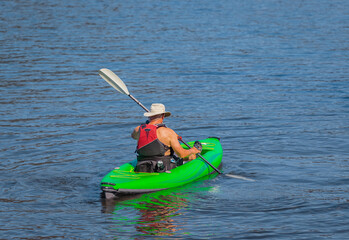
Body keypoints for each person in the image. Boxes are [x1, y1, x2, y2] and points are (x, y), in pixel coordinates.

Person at [131, 103, 201, 173]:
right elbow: (181, 154)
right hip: (164, 168)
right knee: (191, 156)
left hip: (142, 166)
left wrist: (148, 125)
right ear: (163, 116)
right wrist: (193, 150)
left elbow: (134, 136)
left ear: (149, 116)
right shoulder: (168, 132)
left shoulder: (138, 129)